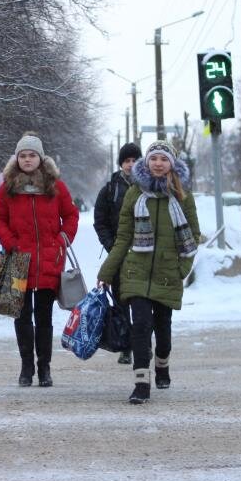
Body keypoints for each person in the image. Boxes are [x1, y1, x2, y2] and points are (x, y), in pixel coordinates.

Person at [96, 139, 199, 404]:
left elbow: (193, 236)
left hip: (168, 272)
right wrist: (107, 272)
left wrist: (181, 269)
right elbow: (123, 238)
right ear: (147, 162)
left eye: (164, 159)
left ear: (171, 164)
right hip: (136, 272)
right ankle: (141, 382)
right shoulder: (134, 193)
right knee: (140, 326)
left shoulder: (182, 195)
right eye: (154, 158)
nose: (158, 163)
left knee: (163, 329)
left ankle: (162, 364)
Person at [0, 132, 79, 387]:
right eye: (23, 156)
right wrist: (11, 242)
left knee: (44, 318)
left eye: (32, 155)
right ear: (17, 159)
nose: (27, 160)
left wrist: (62, 239)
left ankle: (44, 368)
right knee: (21, 317)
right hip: (18, 261)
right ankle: (26, 367)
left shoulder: (55, 186)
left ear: (40, 158)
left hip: (48, 261)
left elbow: (71, 215)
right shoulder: (8, 187)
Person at [93, 141, 142, 365]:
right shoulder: (110, 189)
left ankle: (142, 345)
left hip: (142, 254)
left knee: (141, 304)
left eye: (135, 160)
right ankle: (126, 346)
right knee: (121, 303)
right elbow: (100, 221)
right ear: (121, 164)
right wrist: (111, 245)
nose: (131, 165)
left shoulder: (149, 186)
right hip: (118, 255)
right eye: (127, 161)